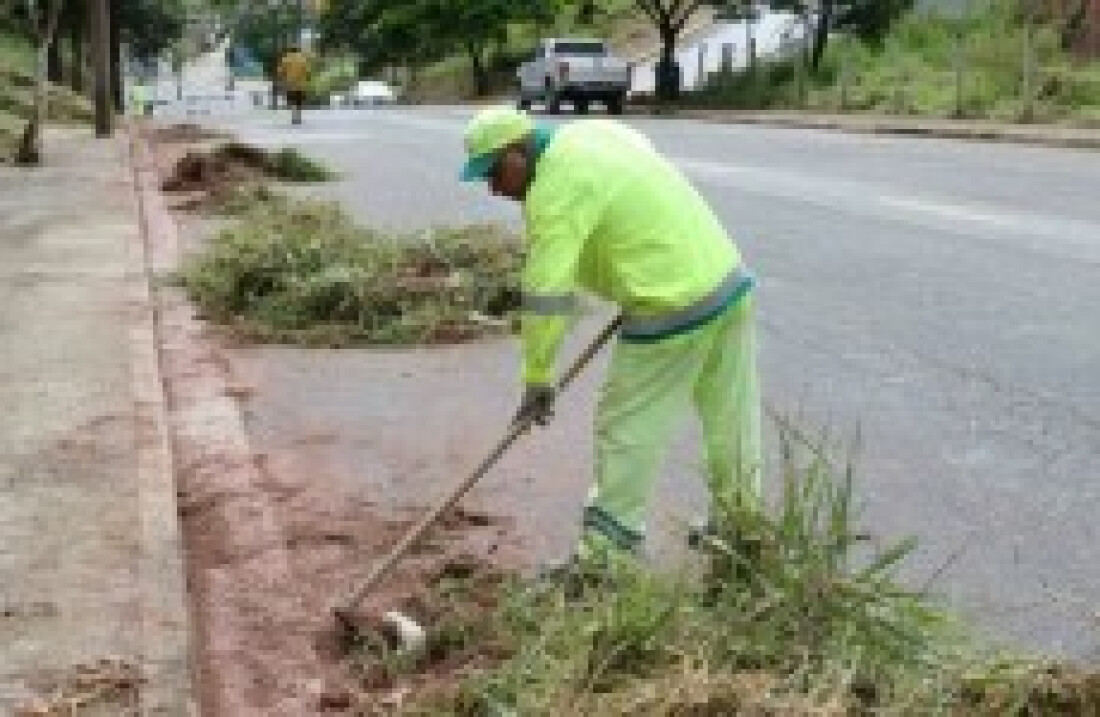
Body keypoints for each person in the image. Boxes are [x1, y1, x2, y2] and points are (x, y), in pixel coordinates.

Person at [460, 106, 763, 571]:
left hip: (671, 305)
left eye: (495, 173)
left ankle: (605, 560)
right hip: (725, 281)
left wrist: (538, 378)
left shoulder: (555, 190)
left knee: (626, 424)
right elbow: (635, 191)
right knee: (730, 419)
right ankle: (743, 529)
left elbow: (547, 293)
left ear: (518, 152)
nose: (494, 189)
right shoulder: (591, 134)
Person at [277, 46, 310, 125]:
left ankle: (294, 116)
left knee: (292, 101)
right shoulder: (302, 59)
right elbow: (307, 71)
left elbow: (280, 71)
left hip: (290, 83)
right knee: (299, 101)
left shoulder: (286, 59)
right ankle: (298, 116)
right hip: (300, 84)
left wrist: (283, 79)